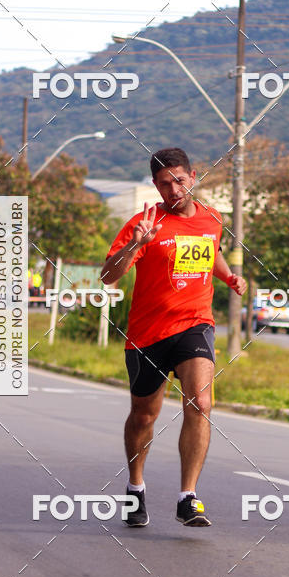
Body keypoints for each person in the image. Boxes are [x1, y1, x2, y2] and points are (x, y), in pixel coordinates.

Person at [101, 148, 247, 527]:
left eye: (179, 180)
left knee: (200, 402)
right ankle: (136, 487)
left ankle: (188, 496)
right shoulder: (144, 222)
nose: (173, 189)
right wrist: (135, 244)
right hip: (148, 334)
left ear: (193, 176)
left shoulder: (213, 220)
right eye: (165, 183)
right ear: (156, 185)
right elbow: (108, 276)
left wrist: (228, 276)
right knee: (144, 416)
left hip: (195, 324)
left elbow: (210, 252)